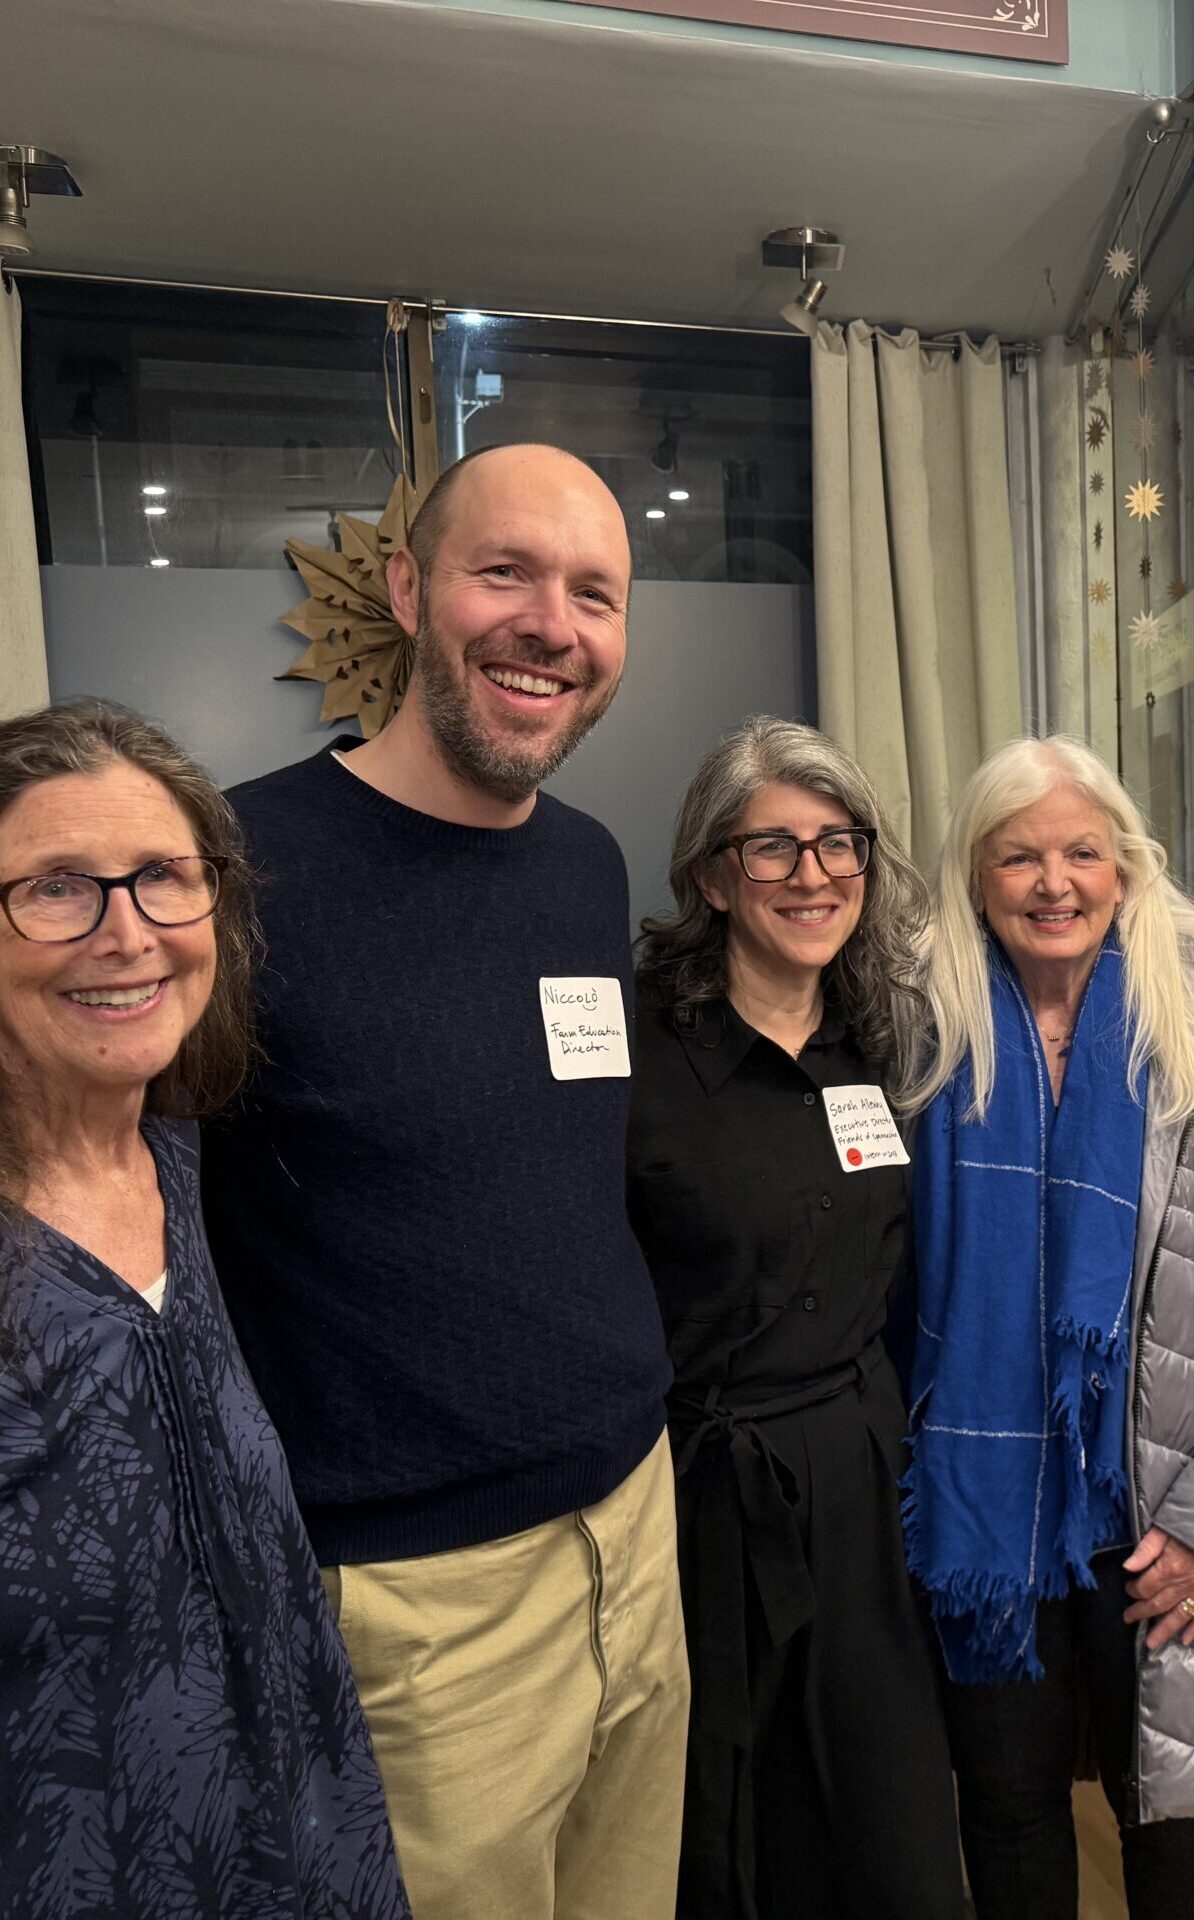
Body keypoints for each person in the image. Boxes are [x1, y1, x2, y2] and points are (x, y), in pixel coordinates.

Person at [200, 443, 687, 1920]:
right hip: (420, 1604)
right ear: (410, 589)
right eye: (505, 573)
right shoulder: (238, 872)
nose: (552, 625)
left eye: (593, 593)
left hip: (636, 1530)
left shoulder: (589, 867)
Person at [0, 699, 410, 1920]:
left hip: (305, 1842)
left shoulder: (176, 1157)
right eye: (56, 887)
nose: (127, 934)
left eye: (165, 879)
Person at [901, 733, 1194, 1920]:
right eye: (1019, 856)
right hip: (983, 1510)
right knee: (1008, 1808)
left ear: (1126, 865)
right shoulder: (915, 1022)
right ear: (975, 875)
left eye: (1083, 851)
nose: (1054, 883)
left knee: (1176, 1822)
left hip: (1169, 1507)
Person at [626, 716, 965, 1919]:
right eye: (772, 847)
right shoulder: (632, 1049)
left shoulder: (880, 1039)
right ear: (713, 874)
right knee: (724, 1824)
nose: (813, 874)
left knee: (887, 1821)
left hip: (858, 1473)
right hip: (694, 1491)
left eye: (839, 844)